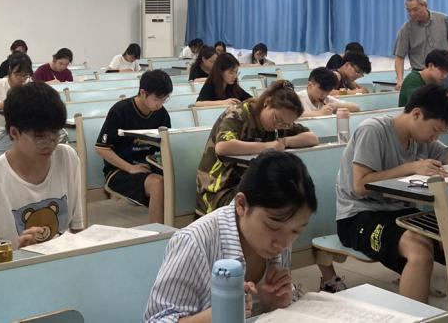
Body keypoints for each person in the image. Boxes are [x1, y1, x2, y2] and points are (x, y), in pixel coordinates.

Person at [335, 84, 448, 302]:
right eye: (435, 130)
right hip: (358, 216)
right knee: (420, 252)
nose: (435, 137)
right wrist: (411, 167)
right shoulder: (373, 130)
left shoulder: (421, 139)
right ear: (416, 114)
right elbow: (360, 185)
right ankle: (414, 314)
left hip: (401, 212)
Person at [145, 152, 313, 322]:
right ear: (241, 204)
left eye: (296, 231)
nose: (282, 244)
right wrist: (219, 314)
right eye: (272, 227)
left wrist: (272, 305)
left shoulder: (280, 235)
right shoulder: (194, 242)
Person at [0, 82, 84, 255]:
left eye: (55, 133)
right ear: (14, 133)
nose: (50, 144)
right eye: (40, 137)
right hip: (15, 269)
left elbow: (77, 230)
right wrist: (19, 255)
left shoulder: (67, 158)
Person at [197, 82, 316, 214]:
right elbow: (222, 147)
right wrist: (268, 146)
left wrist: (285, 141)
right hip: (219, 188)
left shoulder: (282, 122)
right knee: (272, 206)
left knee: (290, 197)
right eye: (277, 119)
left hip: (251, 184)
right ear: (267, 103)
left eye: (286, 124)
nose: (279, 125)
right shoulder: (239, 113)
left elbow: (312, 138)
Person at [95, 70, 173, 224]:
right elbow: (101, 149)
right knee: (159, 183)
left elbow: (166, 144)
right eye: (156, 99)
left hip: (148, 166)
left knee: (177, 178)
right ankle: (159, 232)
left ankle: (177, 227)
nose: (159, 104)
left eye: (164, 99)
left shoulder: (161, 114)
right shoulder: (120, 111)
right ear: (143, 93)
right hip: (120, 171)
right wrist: (130, 168)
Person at [392, 0, 448, 91]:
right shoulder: (406, 29)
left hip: (445, 73)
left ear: (425, 6)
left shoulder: (444, 19)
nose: (411, 13)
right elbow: (399, 57)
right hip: (422, 76)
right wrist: (400, 80)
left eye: (415, 9)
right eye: (408, 10)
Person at [0, 52, 33, 154]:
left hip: (23, 131)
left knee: (45, 139)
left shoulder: (28, 84)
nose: (22, 79)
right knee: (32, 146)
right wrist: (8, 103)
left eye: (25, 75)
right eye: (18, 75)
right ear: (10, 70)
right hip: (0, 135)